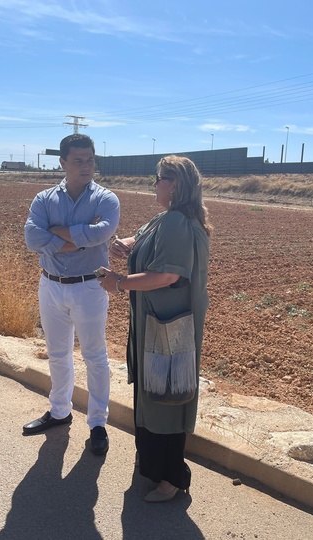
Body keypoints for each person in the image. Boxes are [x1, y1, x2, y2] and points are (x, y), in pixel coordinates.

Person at [99, 155, 212, 502]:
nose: (154, 183)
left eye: (159, 178)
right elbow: (143, 238)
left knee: (166, 396)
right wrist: (126, 245)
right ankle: (152, 463)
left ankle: (171, 477)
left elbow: (167, 275)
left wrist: (119, 282)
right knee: (153, 392)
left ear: (174, 185)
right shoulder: (167, 218)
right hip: (156, 322)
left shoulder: (177, 222)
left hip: (168, 327)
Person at [23, 133, 120, 456]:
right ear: (63, 163)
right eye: (78, 160)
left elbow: (103, 232)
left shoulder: (106, 199)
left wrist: (56, 233)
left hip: (90, 286)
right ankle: (60, 411)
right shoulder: (44, 199)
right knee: (57, 353)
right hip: (50, 285)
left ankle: (97, 423)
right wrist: (80, 238)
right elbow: (31, 237)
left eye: (90, 159)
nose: (86, 166)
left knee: (95, 356)